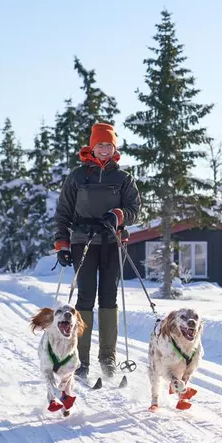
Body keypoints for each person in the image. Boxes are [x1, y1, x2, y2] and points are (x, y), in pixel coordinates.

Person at [54, 122, 141, 379]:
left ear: (114, 147)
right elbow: (63, 214)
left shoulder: (123, 179)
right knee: (85, 298)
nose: (104, 149)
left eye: (108, 144)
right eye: (100, 144)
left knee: (109, 297)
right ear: (92, 146)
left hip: (112, 241)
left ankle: (108, 359)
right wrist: (62, 243)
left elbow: (135, 211)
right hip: (83, 240)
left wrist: (119, 215)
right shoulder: (78, 177)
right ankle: (80, 360)